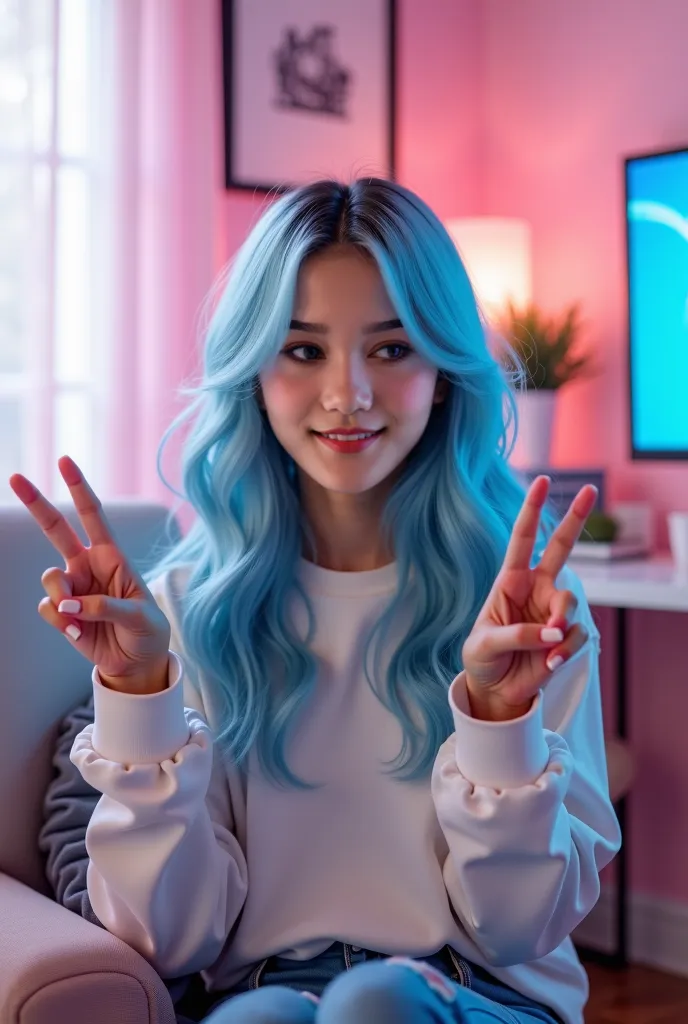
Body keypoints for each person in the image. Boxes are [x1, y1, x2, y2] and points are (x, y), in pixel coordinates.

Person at [10, 177, 621, 1024]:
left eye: (391, 348)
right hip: (259, 998)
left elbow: (520, 929)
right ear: (253, 372)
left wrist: (498, 719)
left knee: (376, 1006)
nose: (348, 394)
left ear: (443, 371)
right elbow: (168, 942)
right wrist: (141, 700)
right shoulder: (187, 609)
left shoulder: (527, 614)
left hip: (481, 996)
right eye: (303, 351)